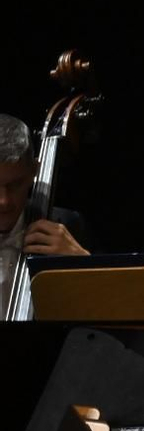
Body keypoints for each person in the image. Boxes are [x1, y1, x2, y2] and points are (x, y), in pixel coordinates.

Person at [1, 112, 89, 310]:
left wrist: (83, 263)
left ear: (35, 171)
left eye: (15, 184)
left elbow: (108, 310)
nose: (4, 201)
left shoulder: (67, 225)